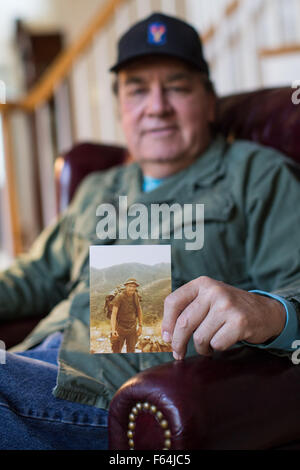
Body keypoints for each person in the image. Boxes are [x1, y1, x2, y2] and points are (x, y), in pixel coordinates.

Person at [0, 12, 300, 450]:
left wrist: (265, 311)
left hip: (114, 395)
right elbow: (37, 275)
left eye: (177, 87)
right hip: (34, 363)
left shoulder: (257, 175)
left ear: (210, 100)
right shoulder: (100, 186)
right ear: (121, 108)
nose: (157, 106)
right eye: (137, 90)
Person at [110, 278, 143, 353]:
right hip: (120, 328)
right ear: (126, 286)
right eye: (130, 286)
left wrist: (140, 326)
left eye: (134, 286)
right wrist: (113, 330)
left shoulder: (135, 296)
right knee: (116, 350)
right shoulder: (120, 297)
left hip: (132, 328)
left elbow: (139, 310)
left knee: (131, 350)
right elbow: (114, 314)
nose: (132, 288)